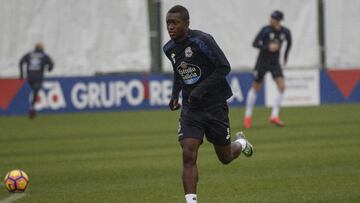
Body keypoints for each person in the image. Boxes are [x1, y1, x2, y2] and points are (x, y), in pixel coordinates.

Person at [163, 5, 254, 203]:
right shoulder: (169, 49)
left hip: (215, 107)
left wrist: (200, 90)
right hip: (191, 109)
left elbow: (224, 67)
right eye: (168, 23)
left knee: (225, 156)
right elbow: (179, 72)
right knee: (188, 153)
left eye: (174, 23)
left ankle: (241, 143)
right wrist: (174, 95)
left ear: (186, 24)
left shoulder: (202, 41)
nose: (170, 27)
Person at [244, 10, 292, 129]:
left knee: (282, 86)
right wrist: (267, 46)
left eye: (273, 19)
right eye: (271, 18)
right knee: (256, 87)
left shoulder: (285, 32)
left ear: (279, 20)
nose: (271, 20)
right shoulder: (265, 30)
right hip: (262, 61)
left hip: (275, 63)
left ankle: (274, 115)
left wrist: (285, 56)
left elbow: (289, 43)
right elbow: (255, 44)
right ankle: (248, 116)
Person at [19, 42, 54, 119]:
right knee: (36, 90)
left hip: (30, 77)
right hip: (38, 77)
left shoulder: (29, 54)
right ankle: (32, 108)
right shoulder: (44, 55)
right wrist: (49, 69)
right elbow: (51, 64)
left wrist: (22, 74)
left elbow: (21, 61)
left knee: (35, 90)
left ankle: (32, 108)